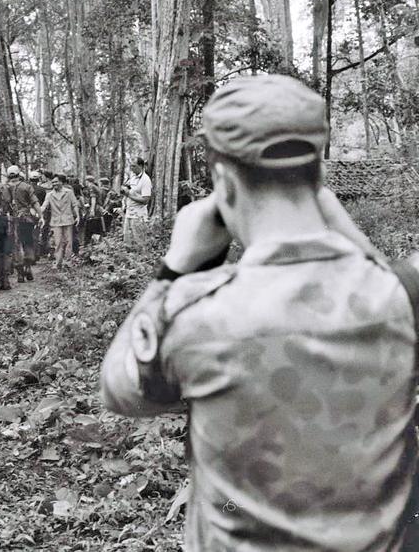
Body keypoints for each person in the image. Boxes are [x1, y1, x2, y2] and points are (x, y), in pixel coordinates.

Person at [100, 74, 419, 551]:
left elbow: (120, 391)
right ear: (321, 176)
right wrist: (354, 242)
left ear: (224, 181)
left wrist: (174, 268)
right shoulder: (402, 295)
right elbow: (399, 285)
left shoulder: (191, 313)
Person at [7, 165, 41, 282]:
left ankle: (20, 274)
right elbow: (35, 203)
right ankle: (28, 267)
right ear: (18, 174)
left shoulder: (6, 188)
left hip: (11, 220)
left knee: (16, 245)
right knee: (28, 242)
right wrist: (40, 216)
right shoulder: (27, 187)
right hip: (26, 219)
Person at [40, 174, 79, 269]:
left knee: (69, 242)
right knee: (58, 242)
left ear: (61, 182)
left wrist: (77, 216)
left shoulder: (69, 192)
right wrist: (38, 212)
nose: (54, 184)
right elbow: (44, 206)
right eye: (53, 182)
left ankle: (68, 262)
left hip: (68, 220)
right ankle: (58, 262)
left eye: (56, 182)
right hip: (56, 221)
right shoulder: (49, 194)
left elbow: (74, 204)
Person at [121, 157, 152, 247]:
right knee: (127, 240)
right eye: (131, 166)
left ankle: (142, 259)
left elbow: (145, 200)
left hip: (139, 215)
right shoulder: (133, 177)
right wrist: (124, 189)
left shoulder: (146, 180)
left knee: (140, 241)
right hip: (129, 213)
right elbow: (128, 188)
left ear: (141, 166)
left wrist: (129, 195)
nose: (132, 168)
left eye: (134, 166)